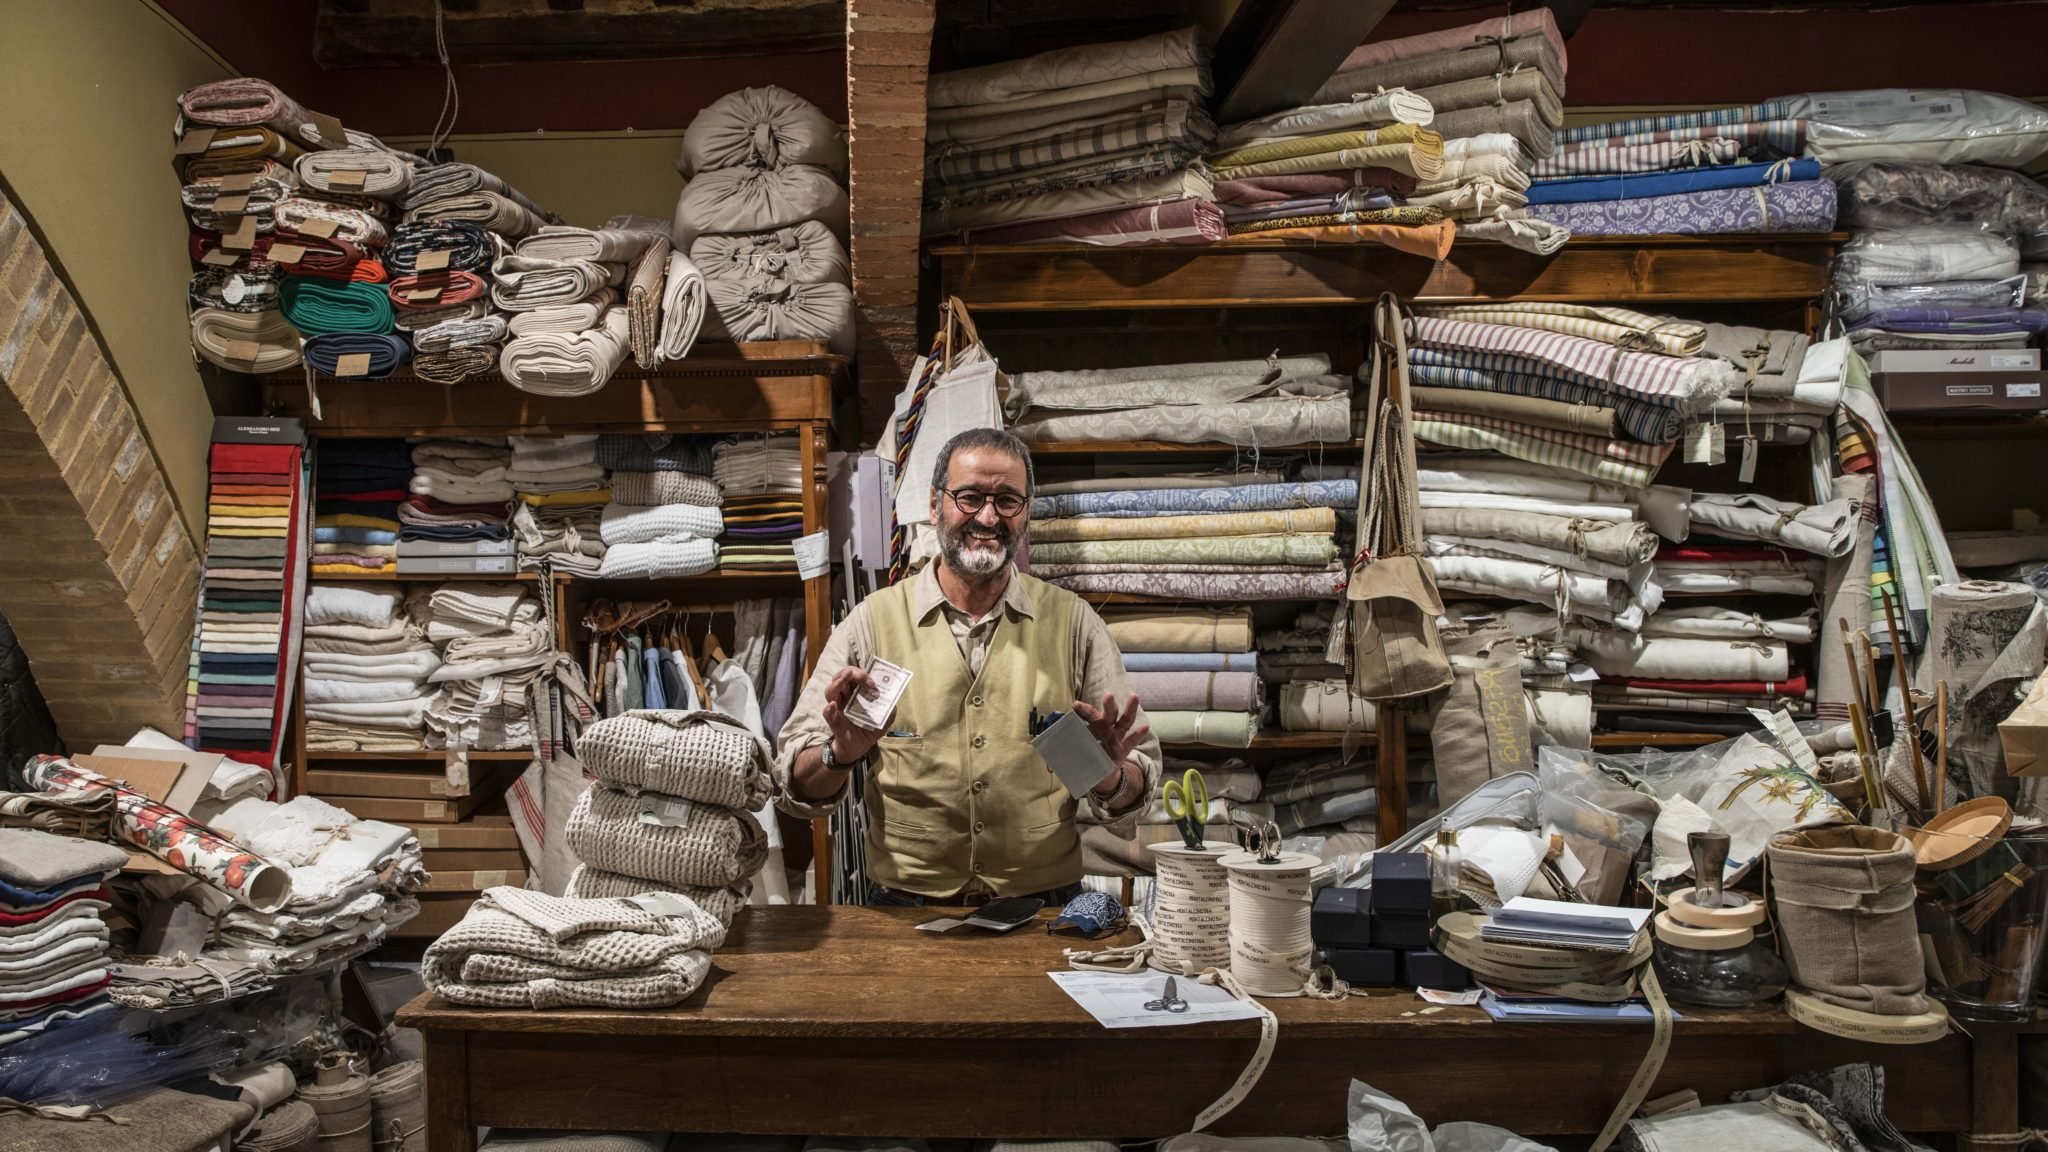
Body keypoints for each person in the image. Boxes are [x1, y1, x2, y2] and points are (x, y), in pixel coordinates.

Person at [775, 428, 1160, 906]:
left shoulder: (1074, 624)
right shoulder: (871, 623)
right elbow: (794, 783)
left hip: (1042, 906)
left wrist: (1108, 776)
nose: (988, 517)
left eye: (1007, 500)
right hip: (903, 911)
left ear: (1027, 511)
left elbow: (1135, 792)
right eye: (970, 497)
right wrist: (840, 753)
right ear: (935, 504)